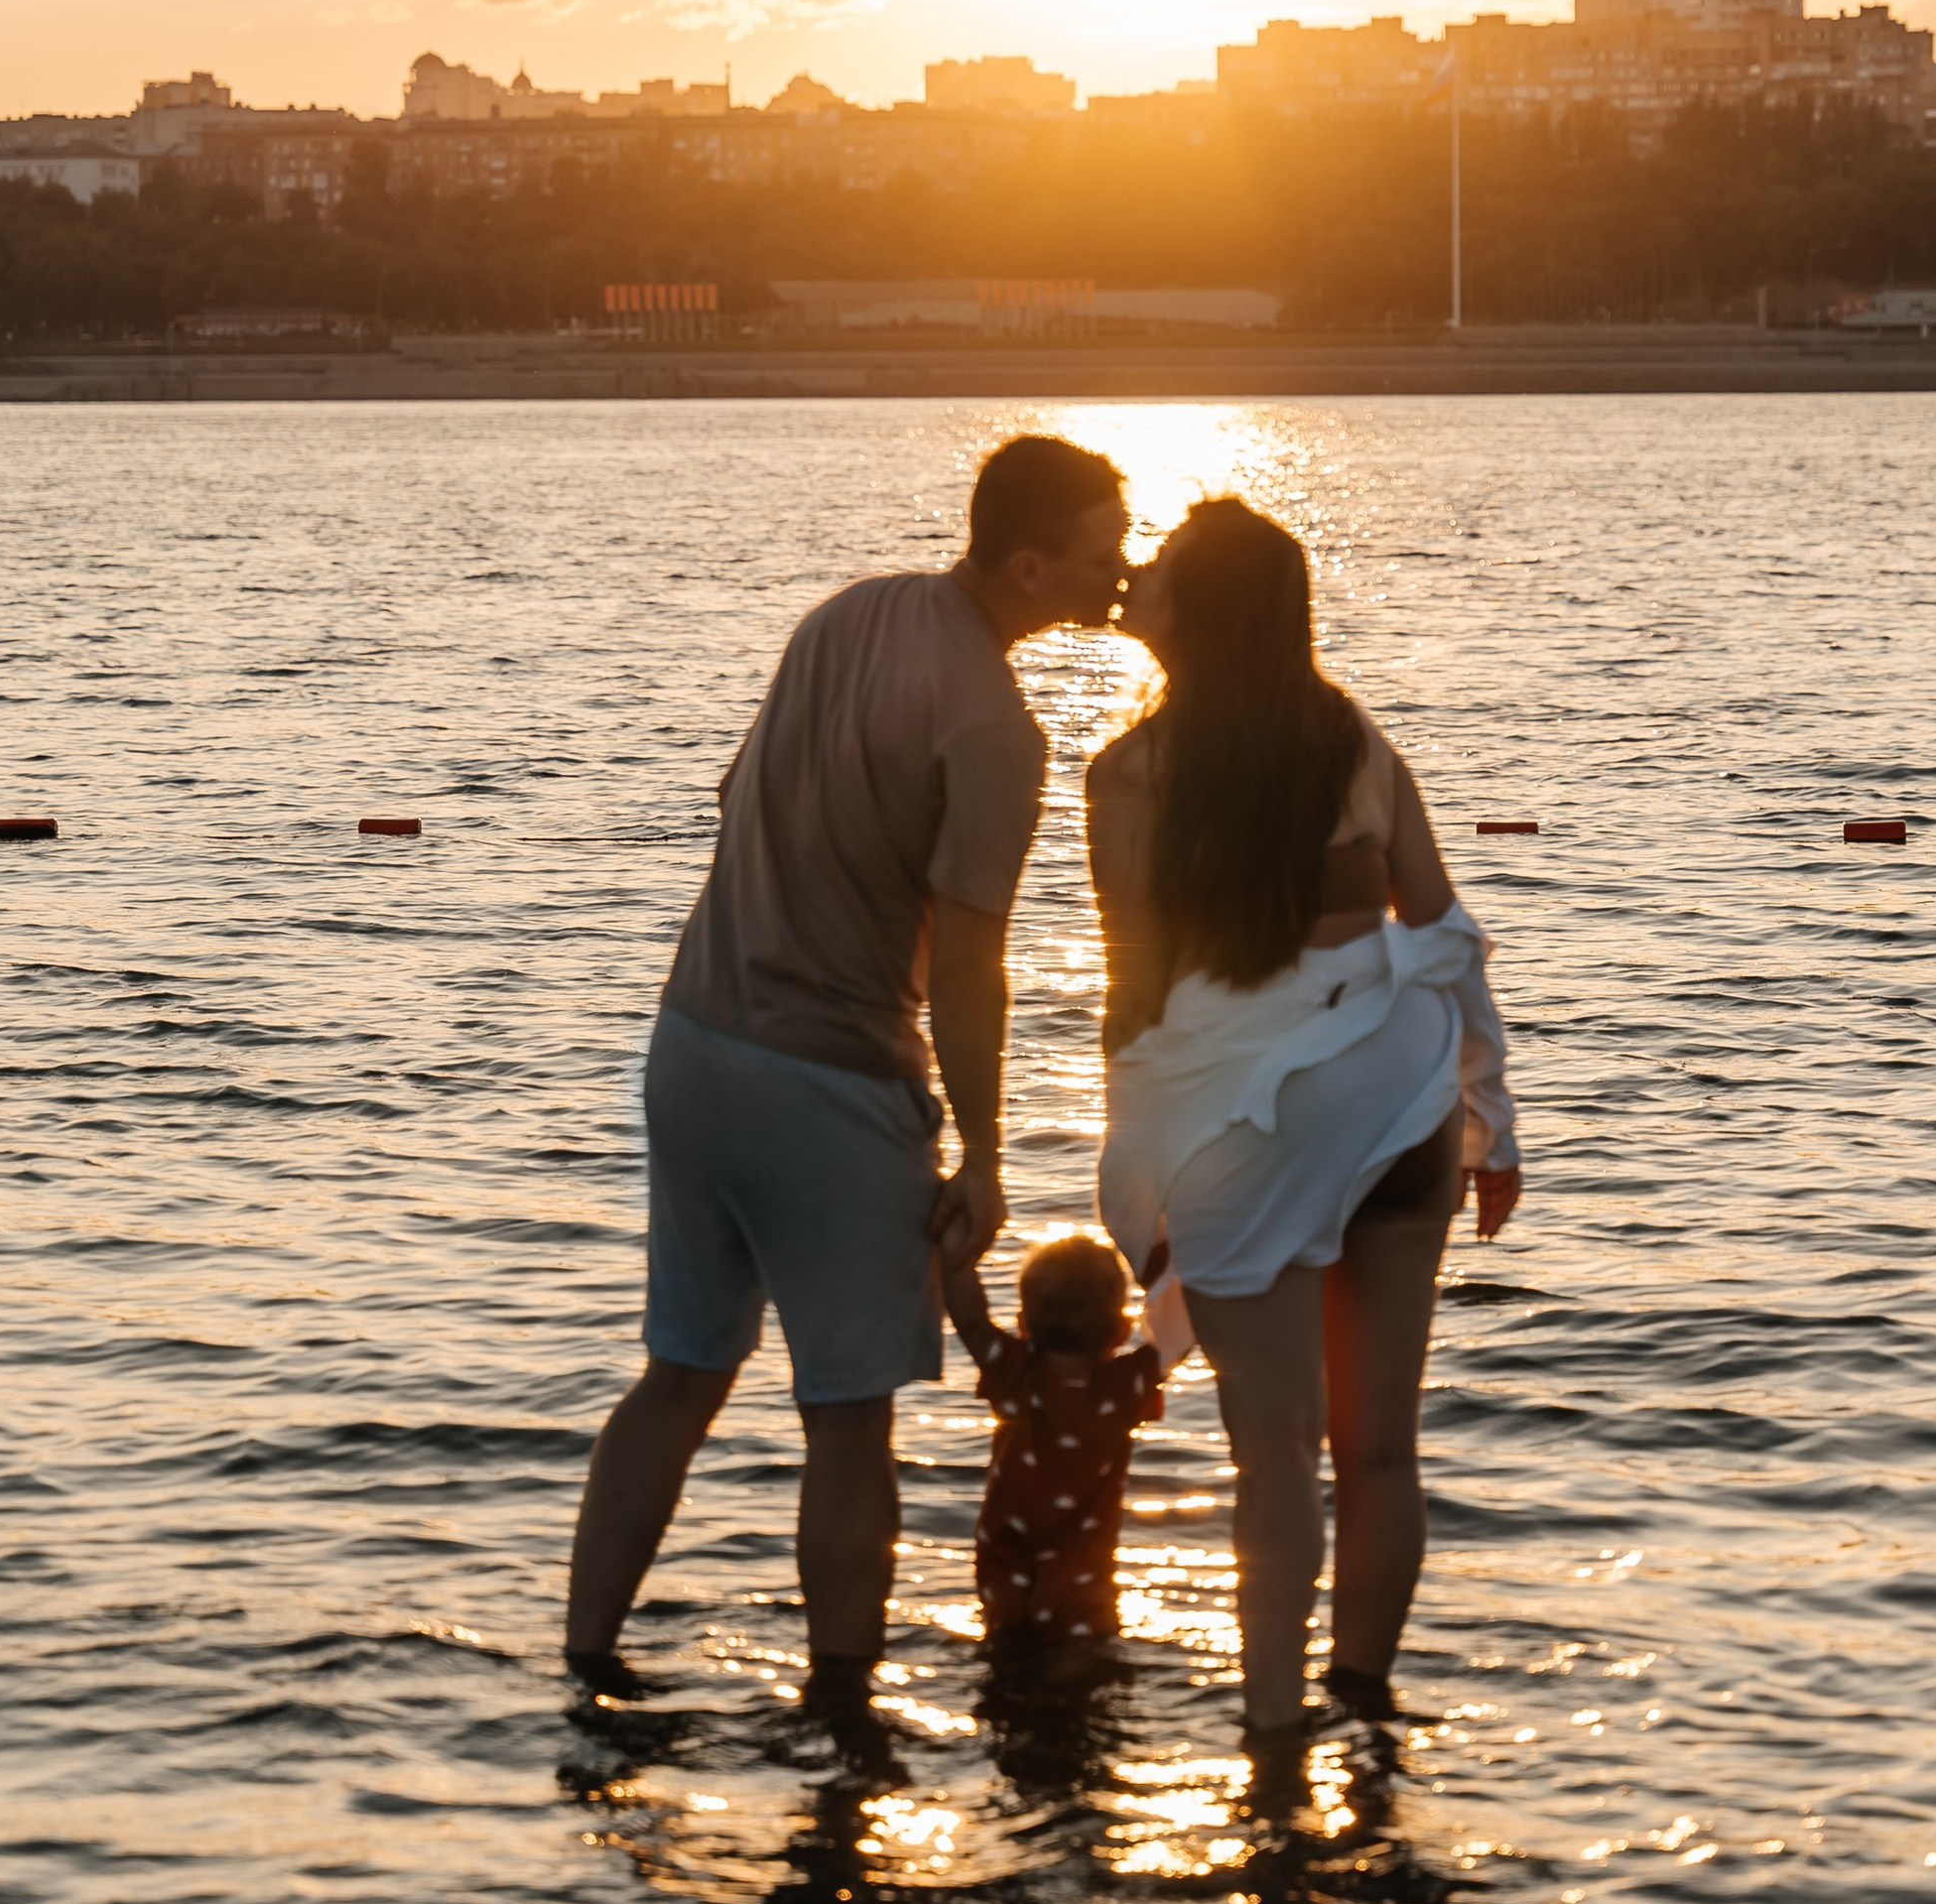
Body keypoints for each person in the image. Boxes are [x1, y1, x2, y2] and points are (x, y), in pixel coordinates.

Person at [563, 433, 1129, 1703]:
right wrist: (982, 1158)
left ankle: (583, 1658)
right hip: (830, 1084)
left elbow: (732, 796)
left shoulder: (844, 614)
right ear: (1030, 562)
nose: (1122, 577)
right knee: (847, 1420)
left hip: (692, 1046)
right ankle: (842, 1718)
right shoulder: (998, 729)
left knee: (679, 1377)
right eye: (1103, 556)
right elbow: (974, 967)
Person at [1089, 496, 1521, 1738]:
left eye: (1159, 570)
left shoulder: (1129, 772)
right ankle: (1364, 1706)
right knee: (1379, 1445)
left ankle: (1275, 1738)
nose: (1135, 583)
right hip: (1396, 1090)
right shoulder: (1356, 739)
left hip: (1256, 1108)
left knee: (1274, 1450)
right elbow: (1439, 934)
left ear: (1200, 609)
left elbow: (1138, 993)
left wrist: (1141, 1185)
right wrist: (1490, 1112)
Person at [941, 1230, 1165, 1656]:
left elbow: (968, 1318)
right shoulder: (1125, 1385)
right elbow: (1179, 1333)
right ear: (1121, 1331)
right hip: (1083, 1582)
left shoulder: (1012, 1371)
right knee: (1081, 1675)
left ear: (1023, 1325)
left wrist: (958, 1251)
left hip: (1004, 1570)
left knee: (1005, 1666)